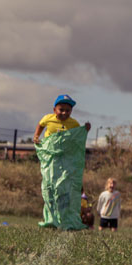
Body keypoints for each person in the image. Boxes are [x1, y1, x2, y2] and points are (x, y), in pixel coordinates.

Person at [34, 95, 91, 231]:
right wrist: (37, 135)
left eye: (68, 110)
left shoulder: (74, 123)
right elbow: (40, 125)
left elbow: (76, 138)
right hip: (50, 159)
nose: (64, 113)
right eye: (61, 110)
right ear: (55, 109)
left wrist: (85, 130)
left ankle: (67, 219)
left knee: (64, 188)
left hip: (65, 160)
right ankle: (51, 219)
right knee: (49, 188)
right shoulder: (48, 118)